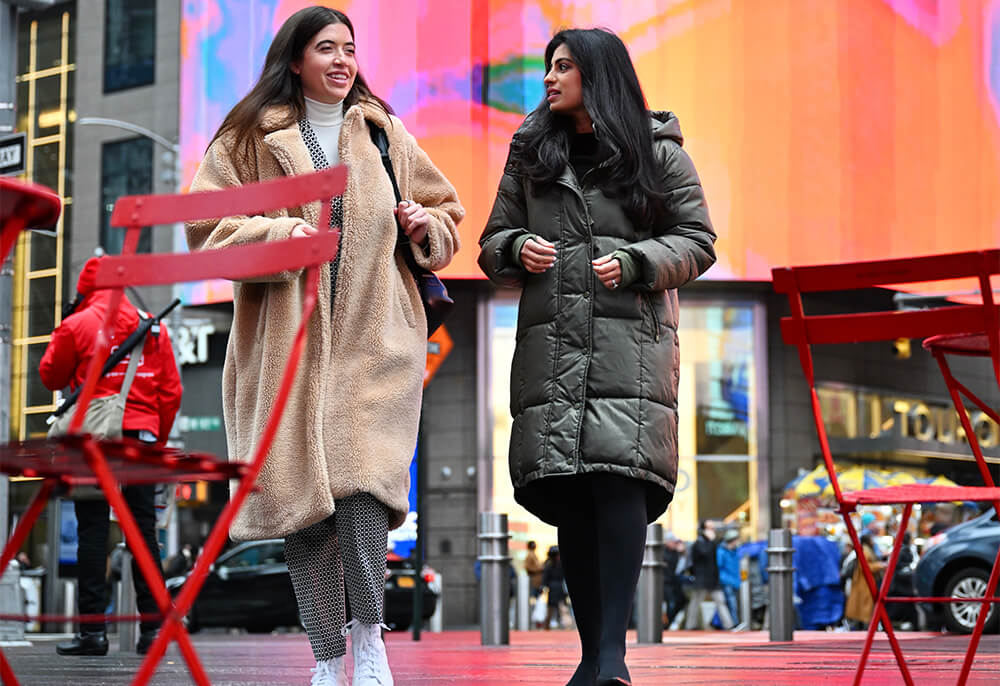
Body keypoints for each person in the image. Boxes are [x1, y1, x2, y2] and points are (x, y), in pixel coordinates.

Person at [185, 7, 462, 685]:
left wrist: (425, 224)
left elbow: (448, 212)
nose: (342, 60)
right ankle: (326, 658)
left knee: (364, 490)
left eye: (350, 48)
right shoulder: (249, 136)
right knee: (305, 508)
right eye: (327, 49)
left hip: (376, 337)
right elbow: (203, 222)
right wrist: (281, 236)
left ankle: (369, 639)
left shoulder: (383, 132)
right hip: (284, 344)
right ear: (296, 59)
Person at [478, 27, 716, 686]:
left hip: (628, 350)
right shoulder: (531, 151)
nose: (549, 78)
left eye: (563, 67)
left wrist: (640, 260)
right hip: (554, 347)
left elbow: (697, 240)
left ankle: (611, 656)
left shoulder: (656, 152)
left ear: (599, 76)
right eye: (549, 67)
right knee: (573, 498)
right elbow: (492, 239)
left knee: (619, 488)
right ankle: (592, 655)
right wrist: (514, 246)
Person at [40, 256, 182, 656]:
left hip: (92, 438)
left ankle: (92, 633)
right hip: (140, 436)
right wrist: (156, 441)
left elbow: (50, 375)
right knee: (141, 529)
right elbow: (170, 392)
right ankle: (153, 629)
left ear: (85, 289)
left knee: (91, 529)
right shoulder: (152, 325)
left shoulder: (78, 324)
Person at [684, 520, 735, 630]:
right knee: (695, 603)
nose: (712, 530)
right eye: (709, 528)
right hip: (701, 578)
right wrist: (712, 541)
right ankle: (690, 626)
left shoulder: (713, 543)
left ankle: (729, 625)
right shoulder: (698, 543)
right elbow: (704, 553)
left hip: (713, 579)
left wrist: (713, 541)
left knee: (721, 601)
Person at [844, 534, 886, 629]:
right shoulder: (866, 550)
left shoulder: (865, 549)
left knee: (862, 609)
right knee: (864, 609)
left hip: (864, 583)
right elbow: (865, 566)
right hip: (865, 583)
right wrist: (880, 565)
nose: (873, 541)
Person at [717, 529, 741, 625]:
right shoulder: (721, 552)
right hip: (726, 581)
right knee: (731, 603)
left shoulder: (735, 551)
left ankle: (718, 623)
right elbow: (718, 567)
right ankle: (734, 623)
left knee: (729, 603)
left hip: (735, 581)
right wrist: (723, 579)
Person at [541, 546, 568, 630]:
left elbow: (545, 578)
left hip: (553, 588)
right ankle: (567, 625)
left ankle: (547, 626)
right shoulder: (561, 564)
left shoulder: (548, 565)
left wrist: (543, 586)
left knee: (551, 609)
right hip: (559, 588)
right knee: (562, 608)